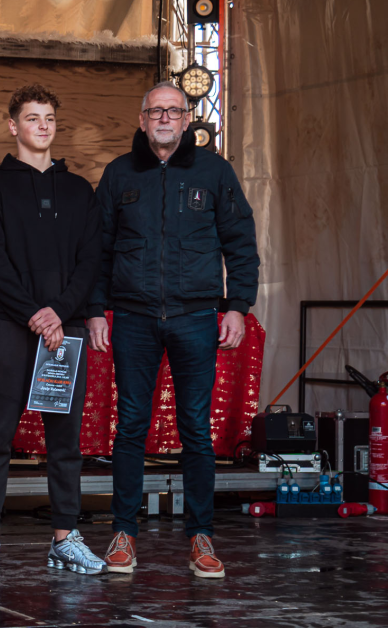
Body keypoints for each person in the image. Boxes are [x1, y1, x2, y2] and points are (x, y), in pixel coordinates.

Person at [88, 82, 259, 579]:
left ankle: (201, 537)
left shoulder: (215, 171)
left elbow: (240, 242)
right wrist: (96, 309)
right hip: (134, 319)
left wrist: (237, 307)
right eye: (154, 111)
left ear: (187, 120)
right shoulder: (119, 174)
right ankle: (124, 534)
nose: (164, 118)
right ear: (141, 120)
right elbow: (97, 249)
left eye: (173, 111)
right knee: (132, 426)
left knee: (195, 431)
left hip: (197, 318)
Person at [0, 84, 105, 577]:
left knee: (64, 440)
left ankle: (65, 537)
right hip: (11, 326)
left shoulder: (79, 189)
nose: (42, 126)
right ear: (13, 126)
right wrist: (34, 314)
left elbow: (90, 262)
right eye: (32, 117)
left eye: (49, 118)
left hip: (63, 332)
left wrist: (58, 312)